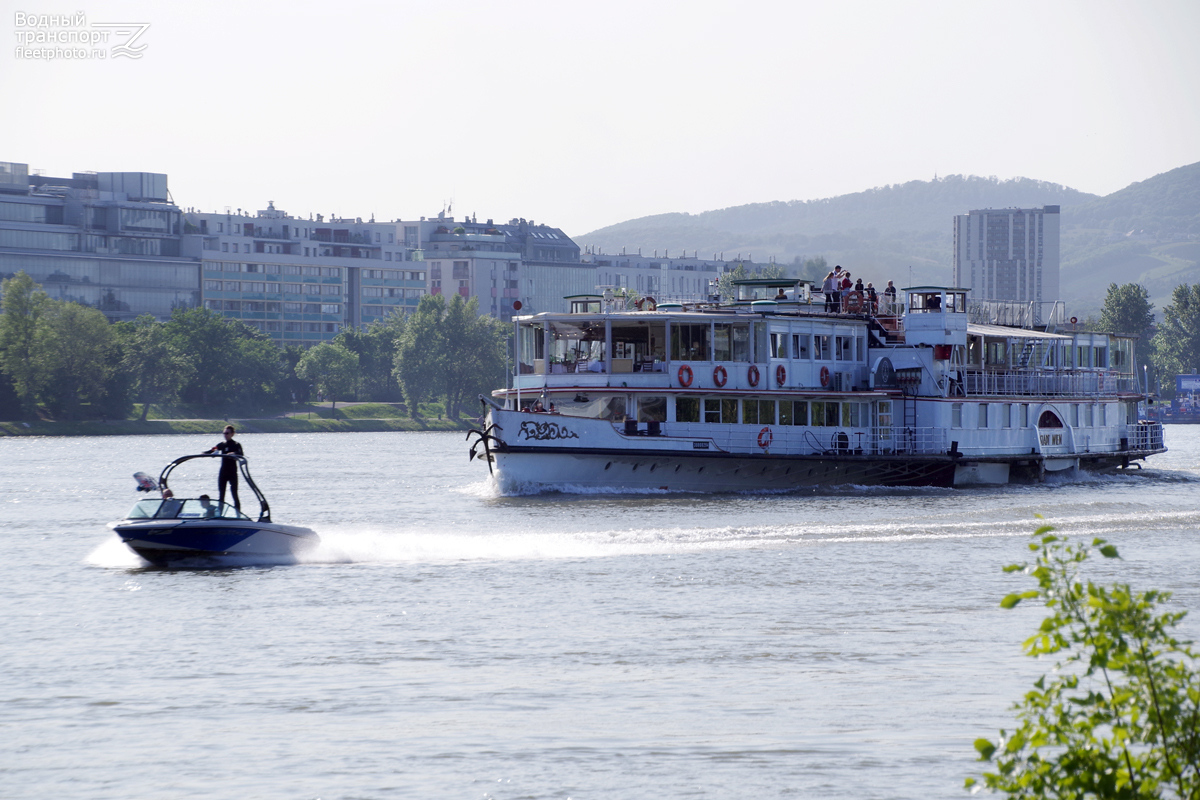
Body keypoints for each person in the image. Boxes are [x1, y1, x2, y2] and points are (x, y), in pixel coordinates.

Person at [206, 425, 243, 511]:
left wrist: (233, 453)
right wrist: (204, 453)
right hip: (223, 472)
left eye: (227, 433)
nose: (225, 435)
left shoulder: (236, 445)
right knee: (221, 494)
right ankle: (220, 514)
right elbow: (212, 450)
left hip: (232, 472)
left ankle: (238, 512)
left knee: (234, 494)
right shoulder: (221, 445)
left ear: (232, 434)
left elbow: (241, 454)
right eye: (224, 433)